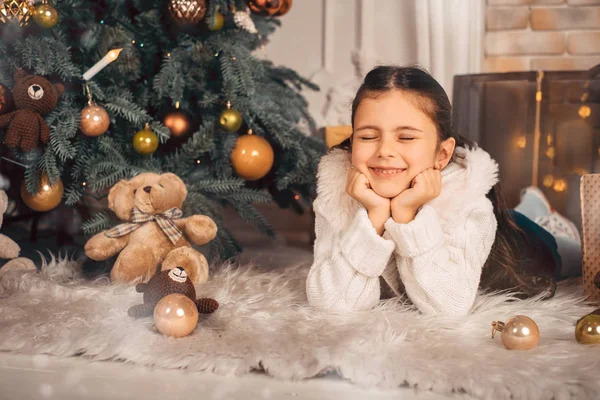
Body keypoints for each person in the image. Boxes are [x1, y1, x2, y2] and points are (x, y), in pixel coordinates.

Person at [306, 65, 581, 315]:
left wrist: (407, 217)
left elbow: (448, 307)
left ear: (442, 153)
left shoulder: (467, 203)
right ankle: (531, 206)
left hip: (521, 241)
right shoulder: (338, 193)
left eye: (406, 137)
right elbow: (333, 302)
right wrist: (374, 217)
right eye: (368, 137)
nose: (385, 151)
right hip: (500, 223)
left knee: (569, 256)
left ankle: (544, 218)